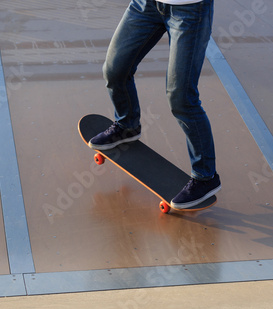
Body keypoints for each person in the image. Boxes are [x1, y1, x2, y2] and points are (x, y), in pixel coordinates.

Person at [89, 0, 221, 209]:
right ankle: (127, 125)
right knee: (115, 70)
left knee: (181, 97)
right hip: (145, 5)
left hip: (189, 10)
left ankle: (205, 176)